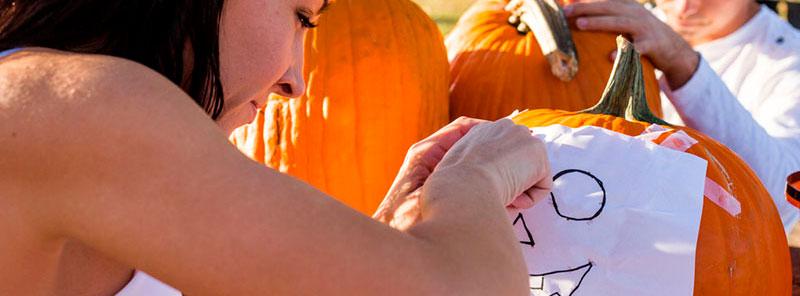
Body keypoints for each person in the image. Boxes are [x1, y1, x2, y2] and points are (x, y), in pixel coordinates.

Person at [0, 0, 554, 295]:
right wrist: (474, 180)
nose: (298, 80)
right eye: (301, 17)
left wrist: (392, 231)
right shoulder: (83, 108)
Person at [564, 0, 800, 234]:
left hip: (713, 258)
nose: (682, 8)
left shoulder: (789, 61)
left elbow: (785, 198)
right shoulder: (625, 25)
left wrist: (681, 61)